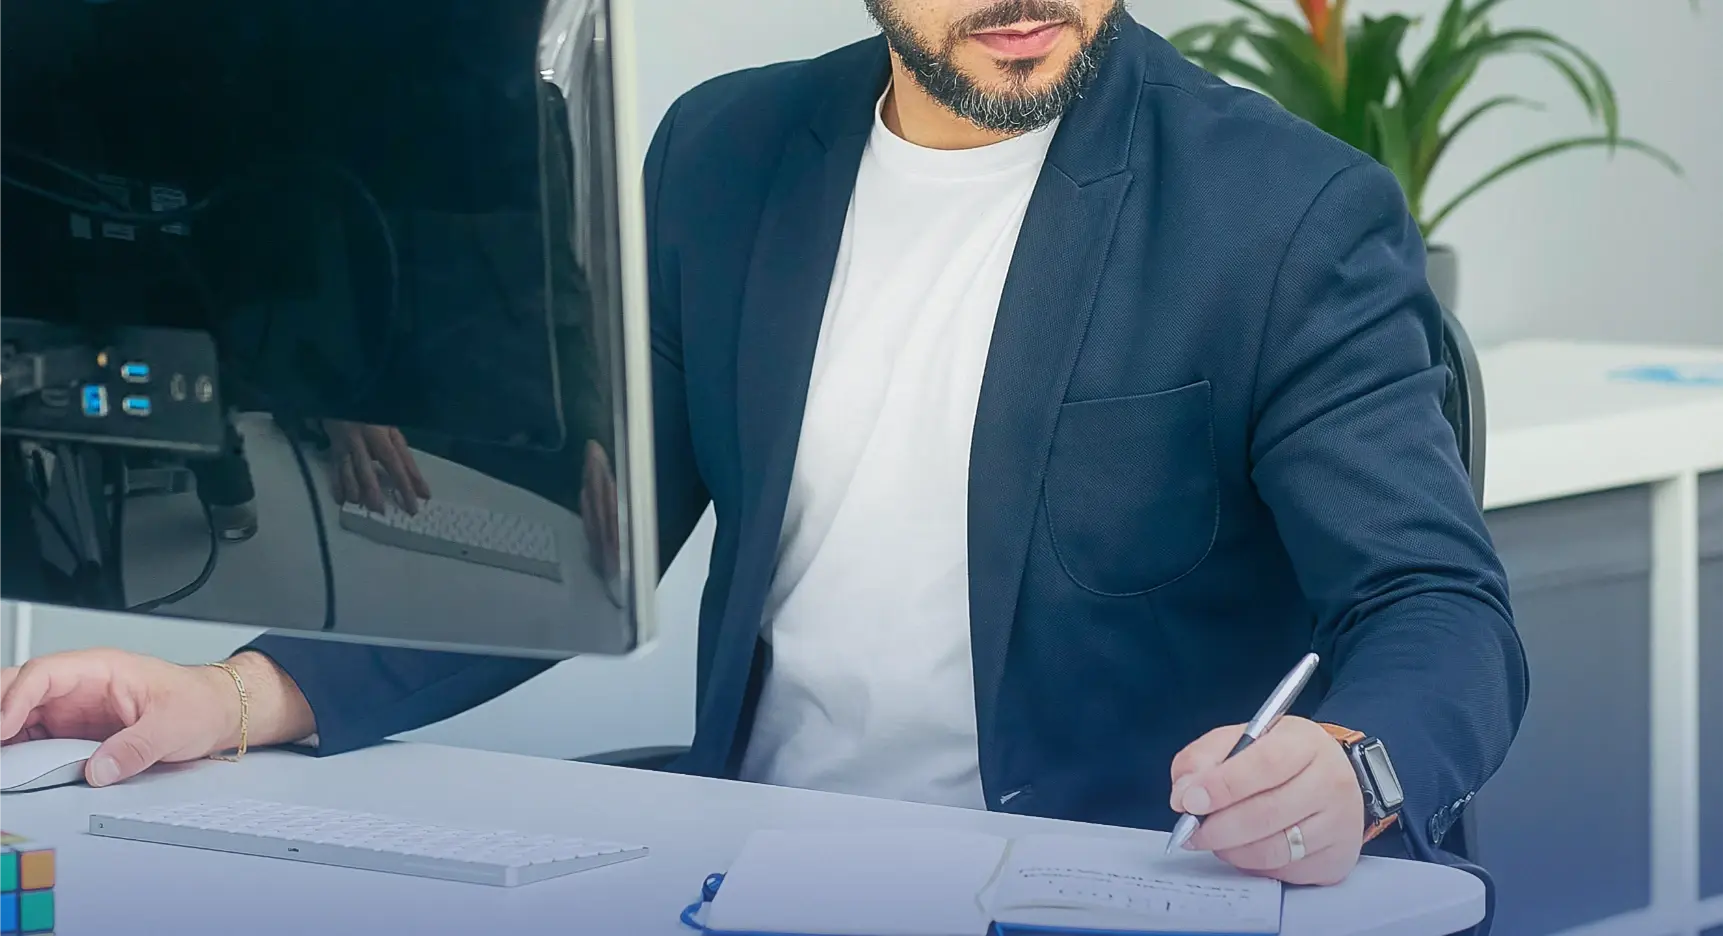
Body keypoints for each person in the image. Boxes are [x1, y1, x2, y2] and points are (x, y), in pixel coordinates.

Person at [0, 0, 1527, 893]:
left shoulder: (1279, 213)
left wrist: (1358, 765)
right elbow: (573, 551)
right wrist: (235, 694)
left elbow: (1434, 604)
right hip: (764, 868)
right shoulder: (724, 156)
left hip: (1100, 886)